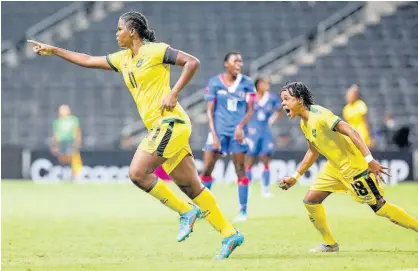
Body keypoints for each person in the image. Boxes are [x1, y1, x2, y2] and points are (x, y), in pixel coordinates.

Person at [28, 11, 243, 259]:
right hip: (162, 128)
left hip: (171, 122)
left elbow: (192, 62)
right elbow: (87, 60)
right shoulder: (123, 59)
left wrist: (173, 93)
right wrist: (54, 50)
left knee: (137, 173)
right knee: (191, 186)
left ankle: (185, 212)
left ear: (132, 31)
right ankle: (230, 234)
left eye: (119, 29)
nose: (116, 34)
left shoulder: (156, 51)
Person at [278, 82, 418, 252]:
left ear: (300, 100)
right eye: (282, 100)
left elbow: (352, 132)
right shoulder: (304, 123)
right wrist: (295, 177)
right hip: (334, 168)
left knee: (380, 207)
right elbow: (313, 151)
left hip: (354, 168)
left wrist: (369, 160)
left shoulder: (321, 116)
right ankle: (330, 244)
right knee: (311, 201)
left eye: (286, 99)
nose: (283, 103)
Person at [201, 51, 255, 222]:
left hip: (237, 134)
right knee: (207, 168)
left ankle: (243, 211)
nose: (239, 64)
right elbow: (209, 111)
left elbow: (250, 110)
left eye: (241, 61)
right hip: (218, 132)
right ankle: (204, 208)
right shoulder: (215, 82)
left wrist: (240, 126)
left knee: (240, 169)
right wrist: (214, 135)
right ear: (226, 64)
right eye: (235, 61)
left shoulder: (247, 83)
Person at [245, 76, 282, 198]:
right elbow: (244, 111)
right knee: (249, 159)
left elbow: (279, 109)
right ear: (259, 84)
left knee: (265, 158)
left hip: (265, 131)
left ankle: (265, 188)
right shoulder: (251, 97)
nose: (267, 85)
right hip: (253, 131)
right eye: (265, 83)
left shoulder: (271, 98)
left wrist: (272, 120)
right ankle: (247, 187)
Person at [51, 104, 83, 180]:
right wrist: (54, 146)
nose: (63, 112)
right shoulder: (57, 122)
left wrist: (77, 142)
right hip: (61, 142)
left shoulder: (73, 120)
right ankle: (63, 175)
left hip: (70, 141)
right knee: (63, 160)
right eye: (61, 110)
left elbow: (77, 131)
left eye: (65, 109)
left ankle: (75, 176)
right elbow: (55, 135)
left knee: (73, 158)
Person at [342, 84, 374, 149]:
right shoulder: (346, 108)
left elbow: (365, 121)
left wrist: (370, 137)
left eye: (351, 95)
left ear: (355, 95)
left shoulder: (360, 104)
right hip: (351, 132)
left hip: (361, 131)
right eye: (348, 95)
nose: (349, 97)